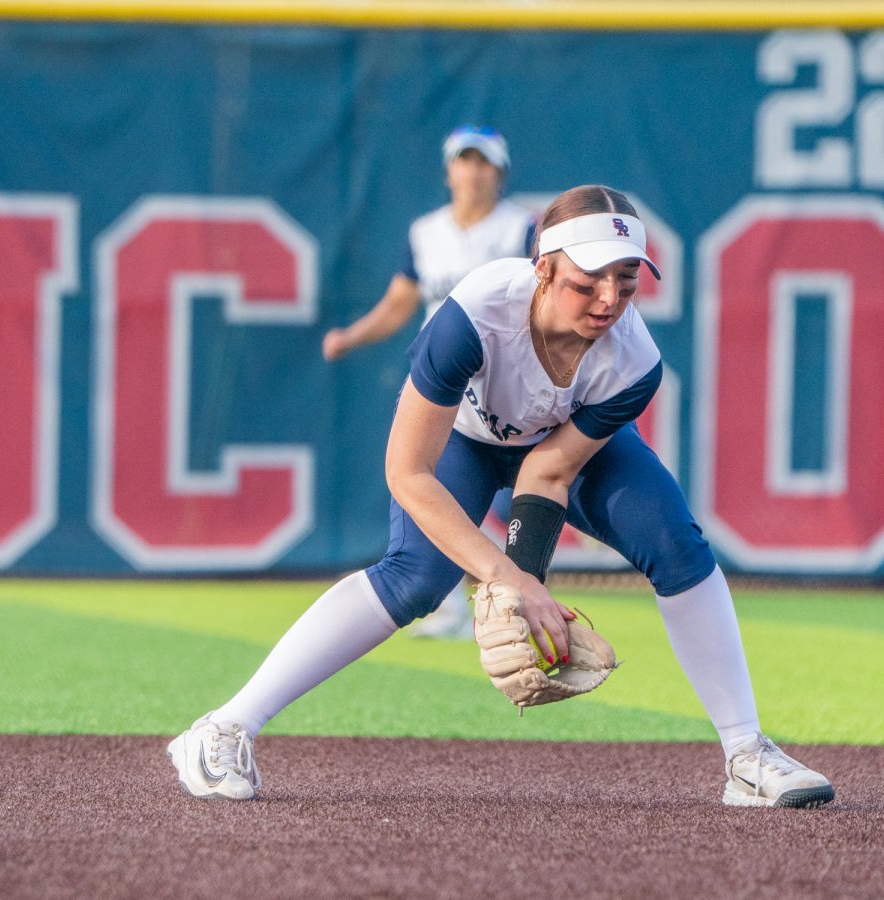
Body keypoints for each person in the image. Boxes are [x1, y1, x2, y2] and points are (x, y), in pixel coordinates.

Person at [168, 185, 835, 809]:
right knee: (414, 579)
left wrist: (525, 587)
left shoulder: (633, 363)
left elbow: (546, 473)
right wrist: (501, 574)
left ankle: (747, 755)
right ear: (542, 268)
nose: (608, 299)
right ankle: (223, 728)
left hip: (545, 448)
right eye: (588, 280)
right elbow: (408, 474)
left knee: (675, 541)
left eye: (625, 280)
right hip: (460, 442)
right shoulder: (475, 314)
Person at [322, 123, 536, 639]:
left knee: (515, 498)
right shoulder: (426, 232)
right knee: (435, 489)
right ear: (449, 170)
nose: (473, 170)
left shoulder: (520, 228)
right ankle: (459, 605)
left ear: (500, 173)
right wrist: (352, 336)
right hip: (440, 382)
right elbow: (400, 304)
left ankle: (492, 597)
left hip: (506, 380)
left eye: (484, 161)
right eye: (465, 159)